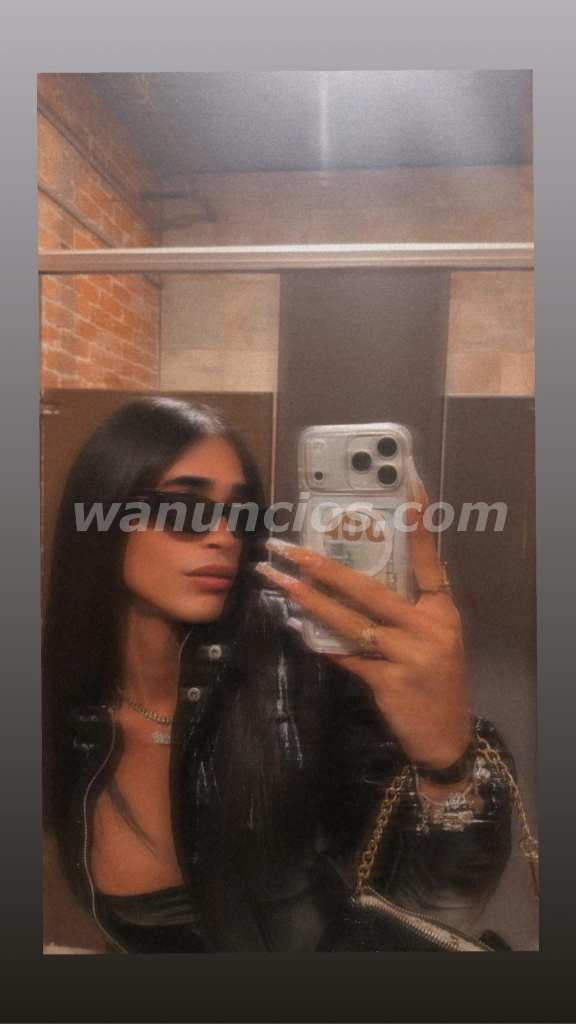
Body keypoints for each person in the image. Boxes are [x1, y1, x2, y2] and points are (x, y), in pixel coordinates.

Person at [42, 396, 512, 954]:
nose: (223, 535)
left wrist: (447, 765)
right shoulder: (64, 704)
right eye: (186, 509)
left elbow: (429, 908)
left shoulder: (305, 661)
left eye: (241, 514)